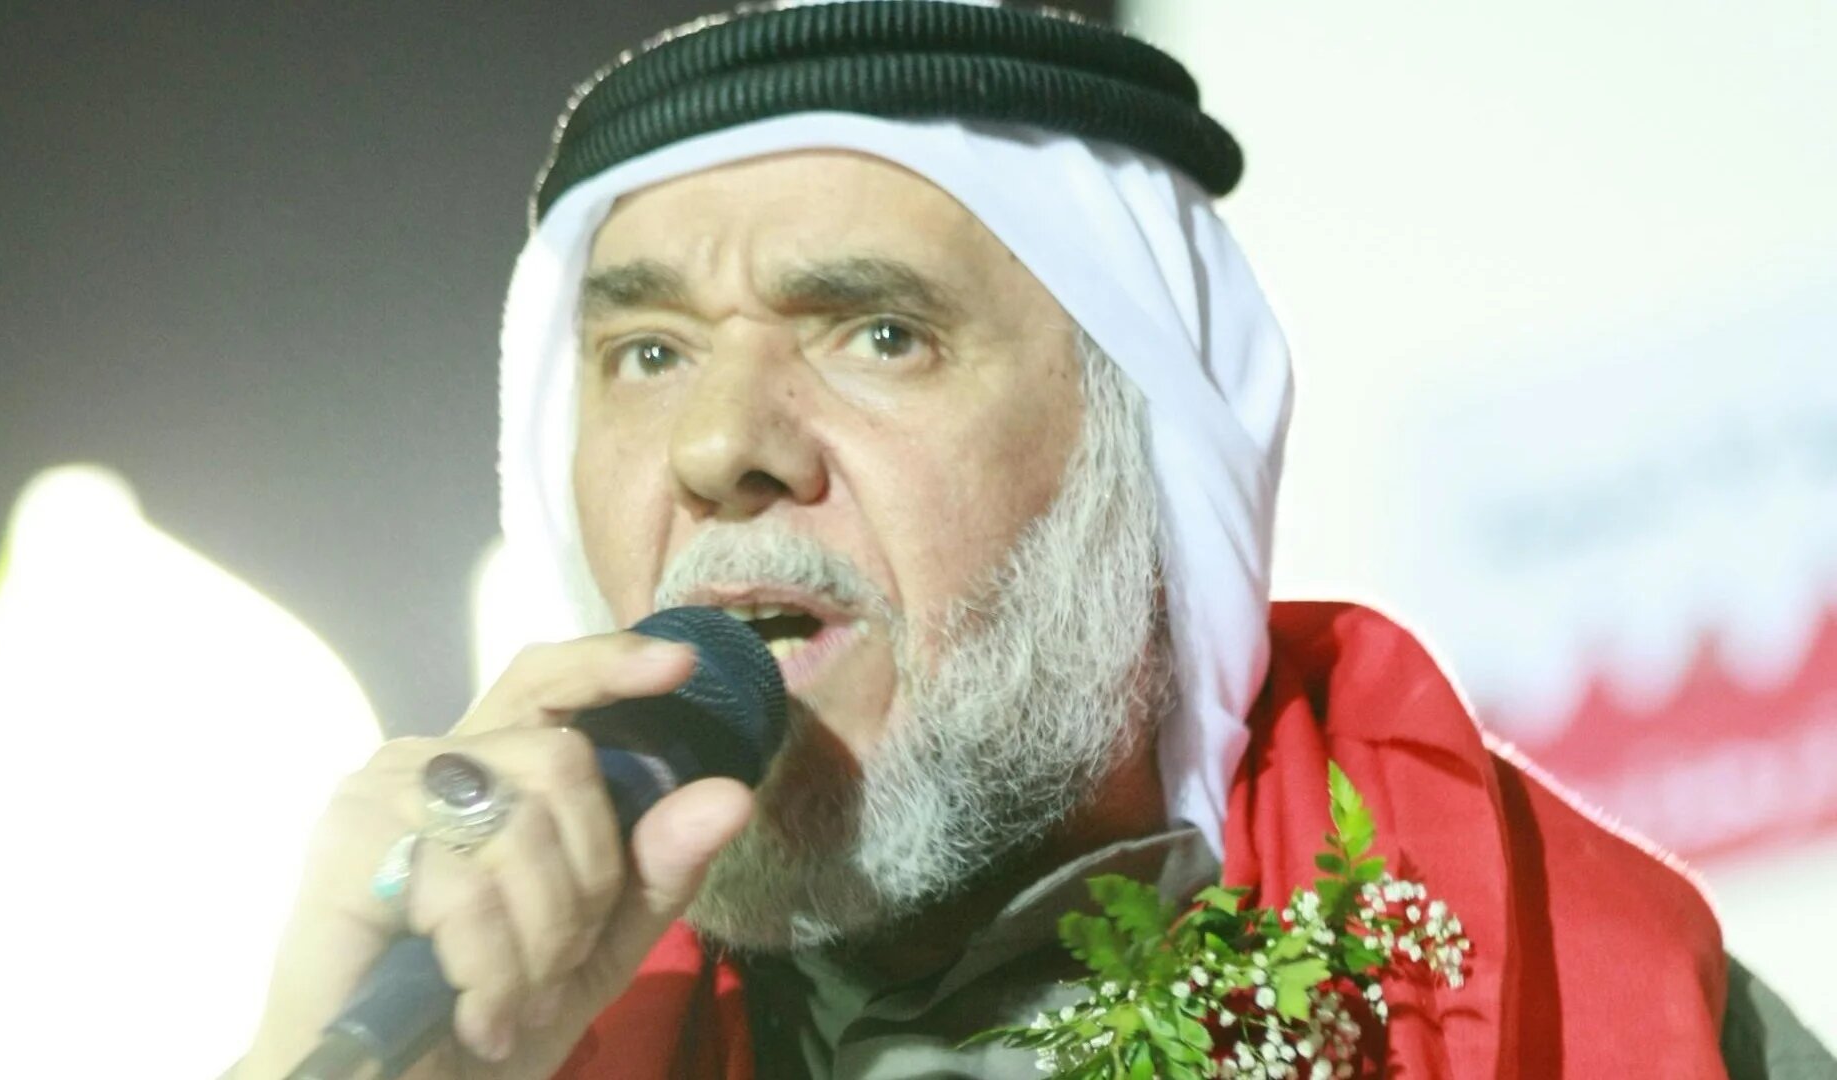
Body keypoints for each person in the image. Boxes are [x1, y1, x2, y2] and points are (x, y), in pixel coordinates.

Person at [235, 2, 1833, 1077]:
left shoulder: (1582, 980)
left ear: (1145, 455)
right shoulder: (506, 1036)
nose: (722, 447)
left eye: (876, 334)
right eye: (649, 355)